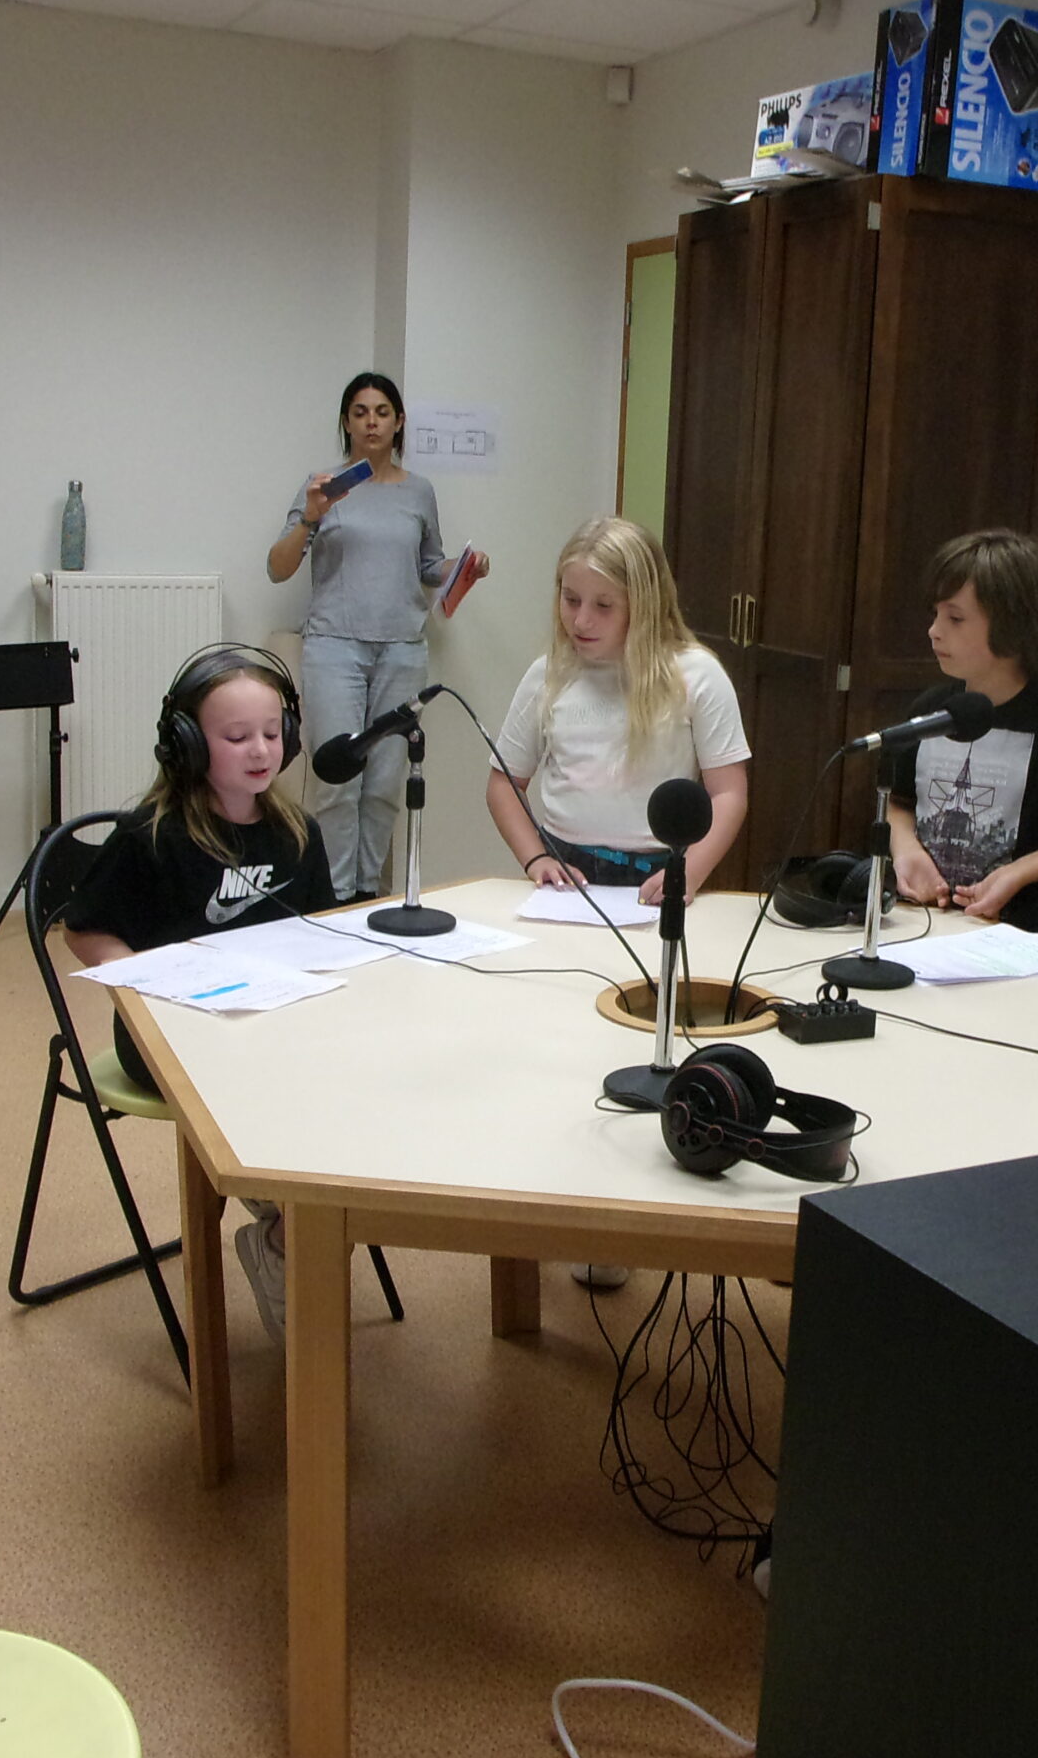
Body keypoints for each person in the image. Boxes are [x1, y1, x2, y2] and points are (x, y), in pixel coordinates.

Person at [486, 517, 749, 1291]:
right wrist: (534, 856)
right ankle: (556, 1190)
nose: (581, 619)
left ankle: (626, 1207)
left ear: (646, 603)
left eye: (603, 605)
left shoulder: (696, 676)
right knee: (556, 1039)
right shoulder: (549, 675)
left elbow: (728, 792)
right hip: (568, 878)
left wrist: (691, 872)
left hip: (656, 882)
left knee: (641, 1039)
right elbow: (504, 782)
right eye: (570, 599)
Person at [61, 643, 331, 1345]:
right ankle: (287, 1219)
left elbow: (319, 937)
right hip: (171, 1031)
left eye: (271, 733)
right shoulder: (152, 837)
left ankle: (288, 1226)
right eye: (236, 736)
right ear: (184, 743)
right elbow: (84, 930)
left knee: (340, 1082)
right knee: (272, 1094)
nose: (260, 750)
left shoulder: (298, 833)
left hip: (269, 1022)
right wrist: (145, 983)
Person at [265, 372, 487, 903]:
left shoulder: (419, 491)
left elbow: (429, 566)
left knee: (386, 782)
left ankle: (368, 892)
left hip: (401, 650)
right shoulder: (323, 486)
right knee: (337, 781)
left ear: (398, 421)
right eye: (360, 412)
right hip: (334, 648)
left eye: (382, 412)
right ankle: (335, 895)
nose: (371, 422)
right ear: (346, 422)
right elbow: (277, 568)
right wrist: (311, 517)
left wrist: (466, 567)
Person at [888, 529, 1038, 940]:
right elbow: (899, 804)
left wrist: (1018, 872)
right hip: (923, 924)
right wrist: (906, 848)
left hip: (1018, 937)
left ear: (1012, 625)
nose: (934, 630)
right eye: (935, 615)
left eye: (955, 618)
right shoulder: (930, 708)